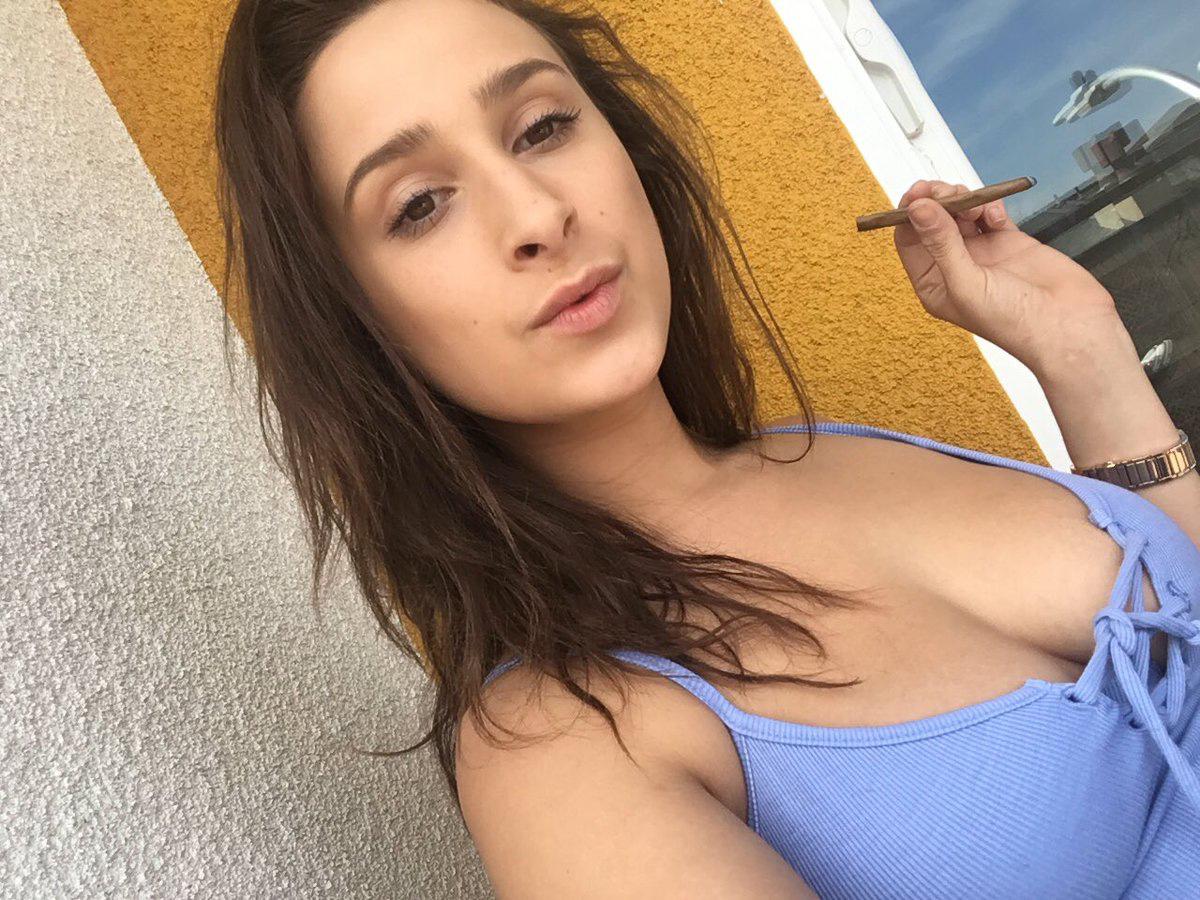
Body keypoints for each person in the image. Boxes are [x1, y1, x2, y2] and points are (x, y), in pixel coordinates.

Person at [211, 1, 1200, 896]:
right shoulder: (562, 745)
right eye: (420, 205)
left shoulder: (823, 449)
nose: (538, 215)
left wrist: (1082, 354)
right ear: (356, 317)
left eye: (543, 127)